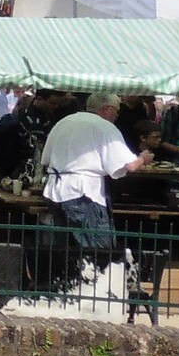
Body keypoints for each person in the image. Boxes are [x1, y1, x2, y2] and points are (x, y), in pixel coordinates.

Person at [43, 94, 146, 281]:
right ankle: (93, 288)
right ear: (106, 108)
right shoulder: (104, 127)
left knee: (67, 249)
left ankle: (68, 286)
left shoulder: (63, 122)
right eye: (116, 111)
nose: (117, 115)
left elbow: (46, 159)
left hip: (55, 191)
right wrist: (143, 158)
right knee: (97, 249)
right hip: (83, 193)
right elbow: (129, 166)